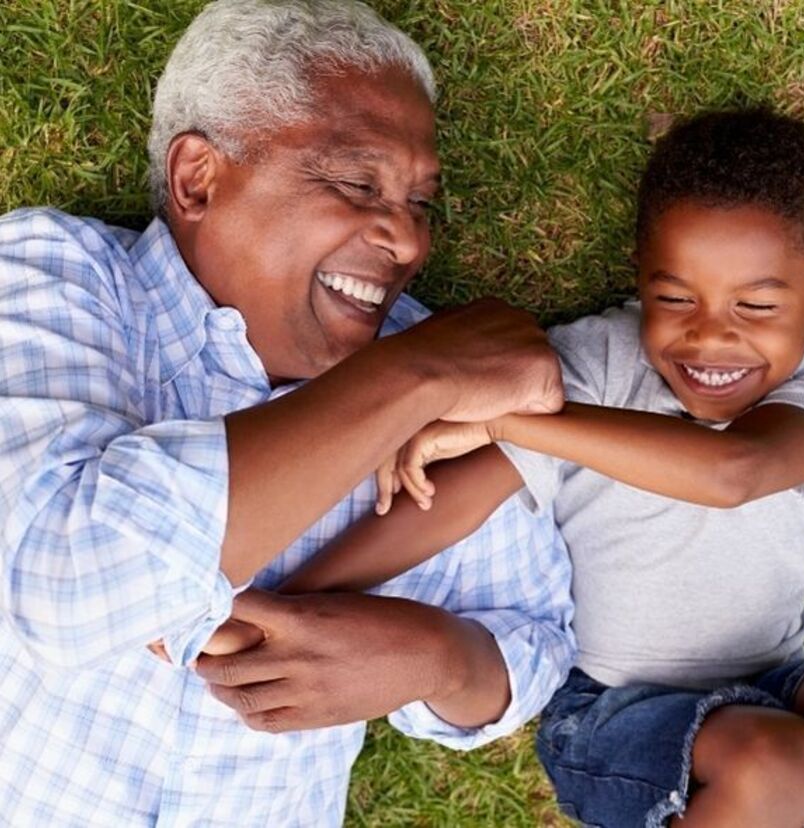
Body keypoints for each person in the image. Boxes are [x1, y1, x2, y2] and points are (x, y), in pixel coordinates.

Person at [0, 1, 576, 824]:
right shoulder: (54, 276)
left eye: (420, 202)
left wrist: (434, 658)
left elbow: (535, 639)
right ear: (199, 178)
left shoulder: (442, 387)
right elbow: (65, 585)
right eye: (356, 183)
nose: (410, 243)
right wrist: (414, 376)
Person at [227, 108, 804, 827]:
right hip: (616, 711)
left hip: (781, 673)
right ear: (641, 281)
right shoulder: (599, 361)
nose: (710, 336)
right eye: (674, 298)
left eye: (757, 305)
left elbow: (740, 470)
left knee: (800, 768)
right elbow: (454, 499)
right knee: (779, 768)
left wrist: (507, 418)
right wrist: (291, 601)